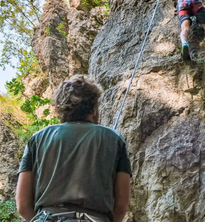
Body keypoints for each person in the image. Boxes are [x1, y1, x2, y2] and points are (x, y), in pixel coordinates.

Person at [16, 74, 132, 222]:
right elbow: (121, 206)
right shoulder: (115, 140)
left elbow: (23, 205)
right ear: (94, 108)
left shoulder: (37, 139)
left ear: (60, 108)